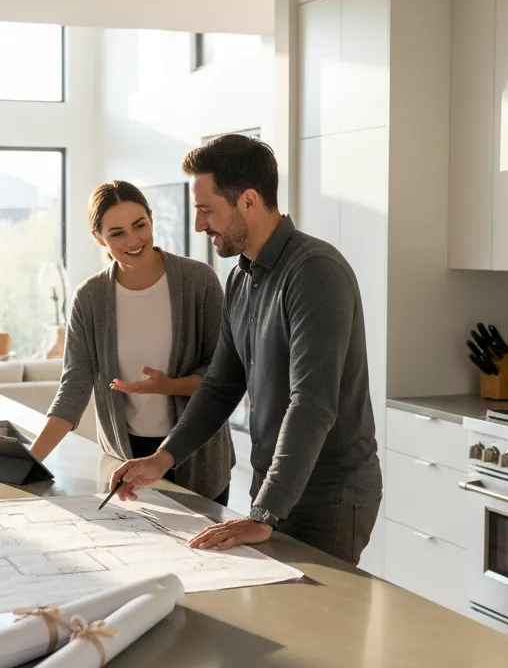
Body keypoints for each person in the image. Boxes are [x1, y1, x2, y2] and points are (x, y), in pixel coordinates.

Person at [109, 135, 382, 565]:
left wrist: (265, 511)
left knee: (316, 626)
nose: (199, 225)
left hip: (327, 497)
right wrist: (164, 457)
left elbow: (312, 403)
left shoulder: (315, 273)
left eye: (206, 210)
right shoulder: (241, 278)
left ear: (249, 202)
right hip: (273, 488)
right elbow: (220, 384)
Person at [30, 180, 234, 505]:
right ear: (99, 238)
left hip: (195, 455)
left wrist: (169, 386)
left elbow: (223, 375)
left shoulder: (199, 281)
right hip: (126, 459)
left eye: (140, 225)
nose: (133, 240)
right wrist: (30, 462)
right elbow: (74, 387)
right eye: (117, 233)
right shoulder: (90, 298)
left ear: (151, 219)